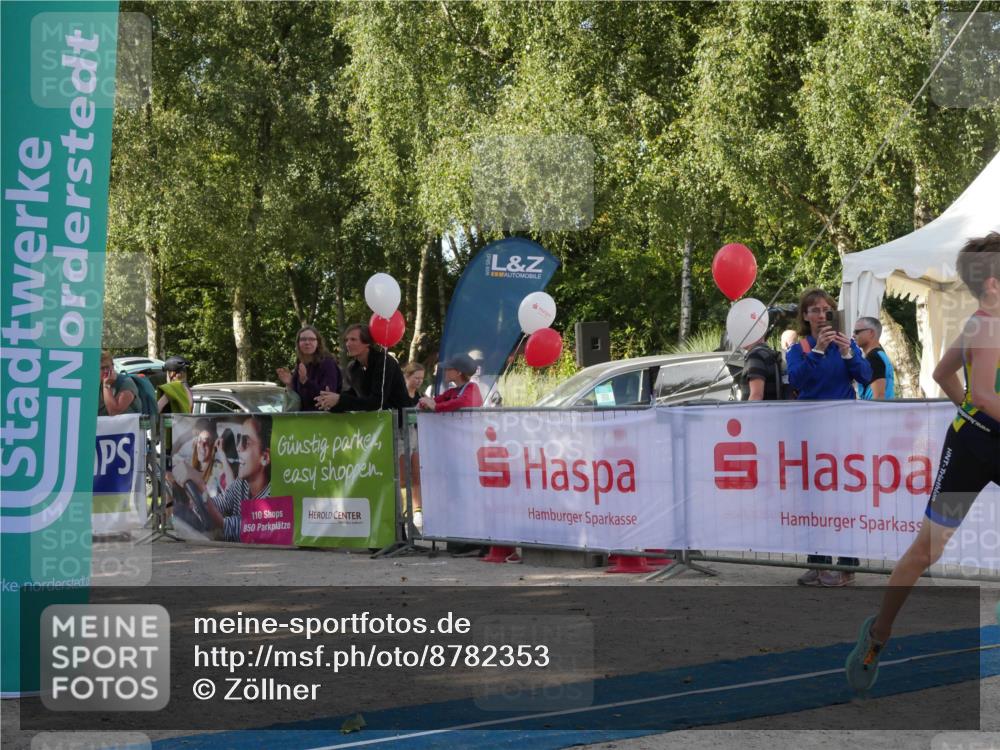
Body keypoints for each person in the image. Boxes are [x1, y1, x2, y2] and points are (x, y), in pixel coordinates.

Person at [845, 232, 1000, 693]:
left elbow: (941, 374)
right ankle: (878, 635)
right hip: (973, 452)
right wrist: (974, 412)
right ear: (992, 284)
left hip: (982, 434)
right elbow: (987, 394)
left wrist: (968, 407)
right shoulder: (985, 325)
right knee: (927, 550)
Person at [787, 288, 873, 587]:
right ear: (805, 316)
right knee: (813, 498)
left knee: (843, 498)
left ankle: (847, 566)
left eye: (826, 309)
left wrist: (848, 353)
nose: (821, 315)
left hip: (842, 433)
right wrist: (819, 351)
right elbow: (796, 380)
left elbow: (865, 376)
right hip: (810, 432)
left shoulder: (846, 345)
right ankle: (818, 562)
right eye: (814, 310)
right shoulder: (800, 348)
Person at [314, 324, 411, 413]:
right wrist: (330, 401)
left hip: (399, 424)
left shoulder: (385, 362)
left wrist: (340, 399)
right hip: (376, 424)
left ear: (367, 343)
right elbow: (354, 395)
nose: (348, 344)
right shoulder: (353, 367)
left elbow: (377, 402)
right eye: (346, 340)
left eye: (353, 339)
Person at [207, 414, 272, 543]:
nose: (238, 448)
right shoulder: (241, 483)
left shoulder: (272, 495)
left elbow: (237, 527)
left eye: (246, 443)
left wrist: (201, 493)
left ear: (264, 457)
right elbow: (222, 502)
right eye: (238, 439)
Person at [276, 325, 341, 412]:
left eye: (311, 339)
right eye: (303, 339)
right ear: (298, 344)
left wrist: (306, 381)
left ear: (318, 343)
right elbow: (298, 399)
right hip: (302, 420)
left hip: (323, 420)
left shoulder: (327, 363)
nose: (307, 342)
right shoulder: (300, 363)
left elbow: (326, 396)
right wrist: (290, 383)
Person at [418, 354, 484, 412]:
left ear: (458, 372)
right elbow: (433, 401)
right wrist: (425, 403)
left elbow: (463, 402)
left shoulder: (472, 387)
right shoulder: (451, 392)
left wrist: (435, 407)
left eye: (448, 368)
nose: (445, 371)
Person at [853, 317, 895, 400]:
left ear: (871, 333)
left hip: (876, 411)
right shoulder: (881, 354)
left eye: (857, 332)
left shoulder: (873, 358)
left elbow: (879, 396)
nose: (853, 335)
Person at [739, 334, 784, 401]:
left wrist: (747, 411)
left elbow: (756, 396)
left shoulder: (756, 356)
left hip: (760, 410)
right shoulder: (768, 353)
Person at [97, 351, 140, 416]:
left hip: (127, 425)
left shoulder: (126, 383)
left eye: (108, 367)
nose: (106, 371)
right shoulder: (93, 385)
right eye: (102, 368)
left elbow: (113, 412)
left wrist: (107, 385)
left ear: (113, 366)